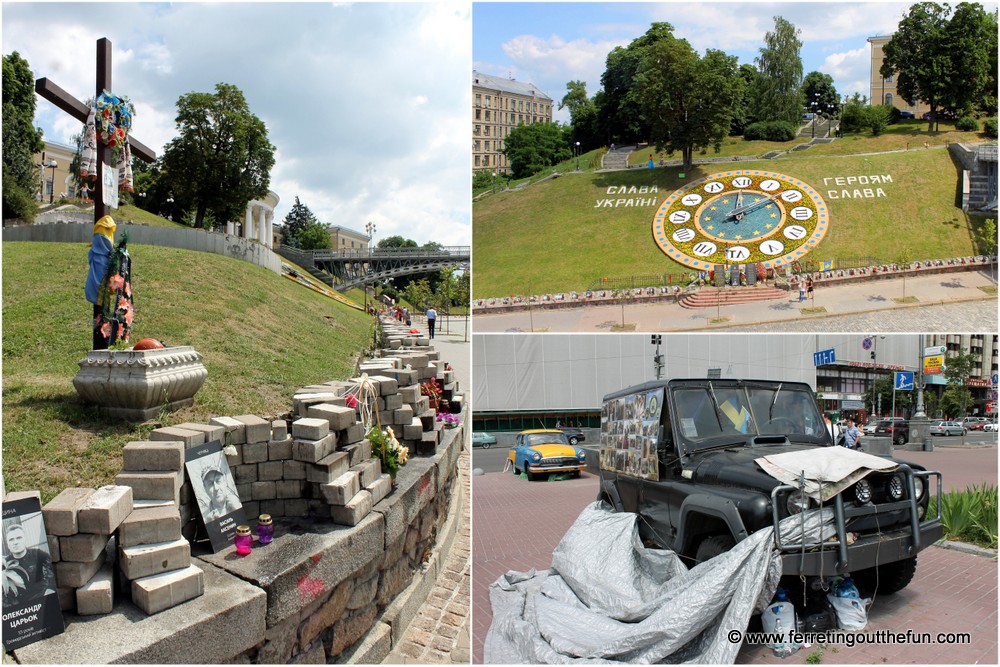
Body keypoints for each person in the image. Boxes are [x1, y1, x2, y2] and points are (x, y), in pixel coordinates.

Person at [2, 520, 57, 607]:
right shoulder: (4, 565)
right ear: (8, 544)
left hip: (42, 600)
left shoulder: (39, 555)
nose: (15, 542)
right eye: (11, 540)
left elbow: (55, 572)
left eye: (19, 538)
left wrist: (50, 590)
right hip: (19, 607)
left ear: (25, 539)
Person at [85, 215, 116, 350]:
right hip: (101, 286)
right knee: (102, 312)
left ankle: (102, 336)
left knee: (100, 312)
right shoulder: (108, 250)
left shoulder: (96, 245)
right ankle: (102, 337)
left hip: (95, 284)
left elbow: (91, 257)